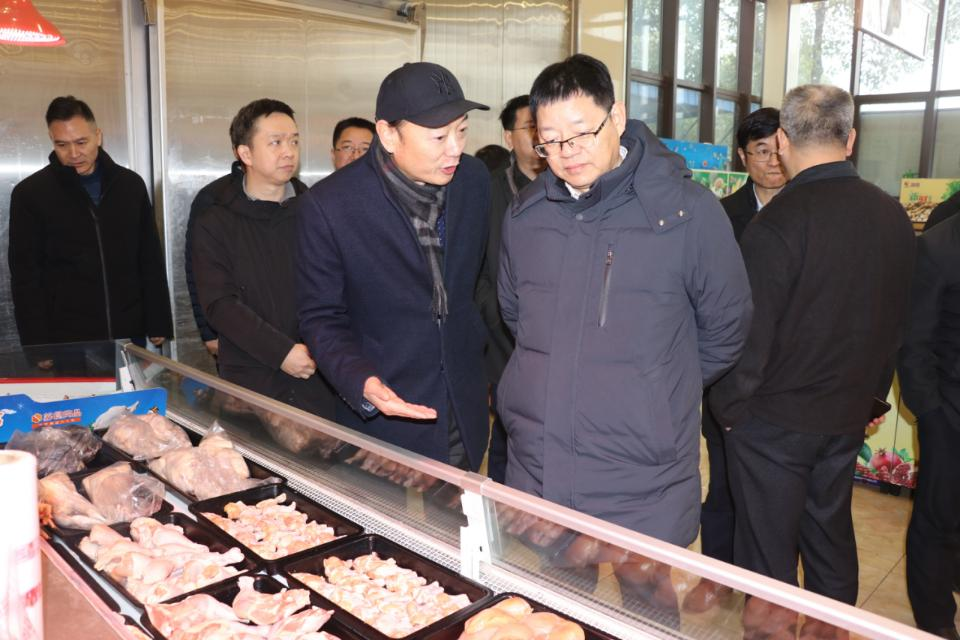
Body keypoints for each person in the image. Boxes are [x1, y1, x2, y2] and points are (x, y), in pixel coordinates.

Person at [497, 54, 752, 546]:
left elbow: (727, 326)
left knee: (646, 592)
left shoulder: (686, 213)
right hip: (540, 464)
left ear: (616, 117)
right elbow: (517, 315)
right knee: (554, 593)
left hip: (644, 475)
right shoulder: (526, 216)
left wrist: (652, 387)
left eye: (581, 133)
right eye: (550, 140)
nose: (567, 152)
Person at [710, 85, 915, 616]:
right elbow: (897, 322)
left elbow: (748, 335)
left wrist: (730, 411)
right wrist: (871, 399)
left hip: (772, 421)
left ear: (781, 141)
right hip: (845, 413)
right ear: (850, 139)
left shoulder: (777, 222)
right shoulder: (892, 215)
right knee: (829, 537)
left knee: (766, 559)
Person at [296, 62, 491, 469]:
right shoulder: (332, 205)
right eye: (438, 136)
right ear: (387, 134)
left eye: (462, 131)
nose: (455, 148)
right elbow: (321, 317)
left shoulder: (474, 181)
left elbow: (482, 282)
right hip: (383, 416)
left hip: (463, 408)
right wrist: (361, 381)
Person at [686, 107, 786, 613]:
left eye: (778, 149)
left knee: (776, 495)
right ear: (744, 158)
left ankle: (765, 592)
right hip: (730, 374)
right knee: (724, 482)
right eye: (760, 151)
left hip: (787, 377)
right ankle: (717, 575)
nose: (772, 161)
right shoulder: (720, 215)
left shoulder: (808, 211)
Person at [191, 98, 335, 419]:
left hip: (317, 374)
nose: (289, 151)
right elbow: (219, 304)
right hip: (251, 378)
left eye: (294, 141)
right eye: (275, 142)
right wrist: (281, 351)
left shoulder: (317, 211)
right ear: (246, 154)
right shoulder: (215, 220)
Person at [8, 95, 173, 358]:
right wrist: (37, 347)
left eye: (81, 142)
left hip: (128, 333)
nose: (73, 154)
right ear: (52, 140)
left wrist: (158, 320)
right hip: (66, 341)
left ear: (98, 136)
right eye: (62, 144)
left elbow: (149, 257)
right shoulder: (31, 194)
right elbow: (26, 277)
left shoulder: (129, 186)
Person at [476, 95, 546, 483]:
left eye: (542, 127)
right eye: (529, 127)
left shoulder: (569, 187)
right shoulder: (488, 193)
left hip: (555, 345)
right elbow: (476, 273)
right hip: (504, 344)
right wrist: (502, 318)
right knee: (506, 443)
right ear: (508, 137)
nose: (538, 136)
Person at [898, 212, 960, 640]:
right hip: (950, 415)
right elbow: (914, 341)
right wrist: (932, 415)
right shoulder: (938, 247)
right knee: (938, 516)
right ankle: (935, 617)